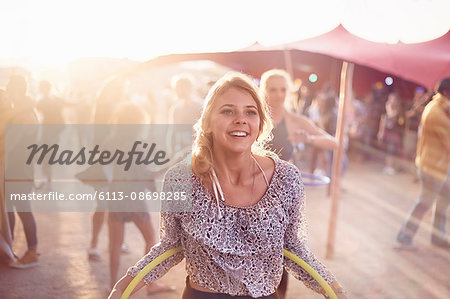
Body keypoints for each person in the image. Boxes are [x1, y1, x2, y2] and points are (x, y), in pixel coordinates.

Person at [108, 72, 346, 298]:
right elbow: (170, 247)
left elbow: (293, 248)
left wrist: (333, 288)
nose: (240, 119)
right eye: (228, 111)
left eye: (250, 112)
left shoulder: (286, 178)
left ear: (260, 124)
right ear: (208, 123)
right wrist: (122, 287)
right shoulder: (181, 179)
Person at [260, 70, 338, 299]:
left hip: (283, 192)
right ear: (264, 91)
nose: (278, 95)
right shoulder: (255, 117)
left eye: (283, 89)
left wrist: (309, 139)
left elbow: (333, 142)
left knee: (282, 248)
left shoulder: (294, 120)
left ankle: (278, 295)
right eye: (272, 89)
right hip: (254, 188)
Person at [396, 78, 450, 250]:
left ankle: (437, 236)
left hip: (435, 165)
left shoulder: (439, 108)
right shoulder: (437, 113)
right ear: (447, 93)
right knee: (424, 203)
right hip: (432, 167)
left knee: (442, 200)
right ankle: (404, 236)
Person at [4, 75, 40, 268]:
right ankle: (10, 249)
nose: (8, 92)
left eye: (10, 88)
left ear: (17, 90)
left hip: (19, 171)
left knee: (22, 210)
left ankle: (32, 251)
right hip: (20, 170)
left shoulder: (23, 115)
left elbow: (9, 144)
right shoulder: (26, 112)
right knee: (11, 209)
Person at [377, 93, 405, 175]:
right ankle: (388, 166)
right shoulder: (385, 110)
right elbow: (383, 120)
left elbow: (392, 117)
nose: (391, 101)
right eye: (390, 99)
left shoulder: (397, 110)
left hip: (394, 133)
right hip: (387, 132)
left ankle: (392, 167)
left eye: (393, 99)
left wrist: (388, 108)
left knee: (392, 150)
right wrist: (380, 132)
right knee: (388, 150)